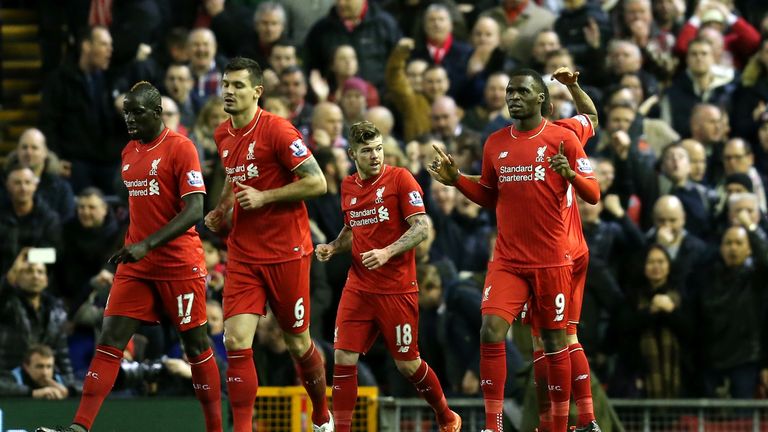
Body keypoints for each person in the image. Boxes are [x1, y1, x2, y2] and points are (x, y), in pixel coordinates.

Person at [37, 82, 222, 432]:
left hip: (179, 262)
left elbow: (195, 209)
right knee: (109, 339)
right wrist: (135, 246)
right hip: (138, 263)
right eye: (126, 113)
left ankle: (215, 427)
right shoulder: (128, 152)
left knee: (196, 344)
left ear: (157, 113)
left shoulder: (181, 148)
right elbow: (141, 211)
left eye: (137, 113)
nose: (130, 119)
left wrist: (148, 243)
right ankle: (79, 427)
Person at [428, 69, 599, 432]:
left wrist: (570, 174)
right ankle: (494, 425)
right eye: (509, 91)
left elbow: (594, 194)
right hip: (508, 258)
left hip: (555, 256)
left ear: (541, 98)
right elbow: (490, 194)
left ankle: (569, 423)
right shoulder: (494, 143)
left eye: (522, 91)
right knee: (490, 329)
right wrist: (458, 180)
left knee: (556, 340)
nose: (513, 97)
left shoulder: (563, 137)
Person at [203, 57, 331, 432]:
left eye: (238, 85)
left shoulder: (279, 131)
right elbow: (233, 173)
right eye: (225, 84)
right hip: (243, 253)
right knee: (236, 339)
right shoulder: (222, 133)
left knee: (298, 344)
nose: (228, 91)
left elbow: (317, 182)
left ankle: (322, 414)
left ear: (257, 91)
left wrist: (265, 197)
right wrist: (223, 208)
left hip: (286, 252)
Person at [315, 121, 461, 432]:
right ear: (353, 153)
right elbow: (353, 229)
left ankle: (446, 416)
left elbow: (422, 227)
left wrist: (386, 252)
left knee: (407, 364)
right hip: (359, 286)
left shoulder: (400, 179)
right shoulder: (348, 186)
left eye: (379, 149)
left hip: (396, 288)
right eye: (367, 151)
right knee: (343, 357)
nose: (375, 156)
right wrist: (333, 246)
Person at [525, 68, 602, 432]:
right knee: (569, 335)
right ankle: (586, 421)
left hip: (551, 252)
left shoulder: (525, 142)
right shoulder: (571, 131)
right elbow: (592, 116)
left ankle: (550, 424)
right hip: (577, 248)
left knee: (544, 340)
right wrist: (574, 85)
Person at [0, 344, 69, 398]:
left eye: (49, 367)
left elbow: (78, 386)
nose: (45, 372)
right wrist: (33, 393)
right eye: (39, 366)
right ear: (26, 367)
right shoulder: (14, 376)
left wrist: (68, 392)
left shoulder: (59, 379)